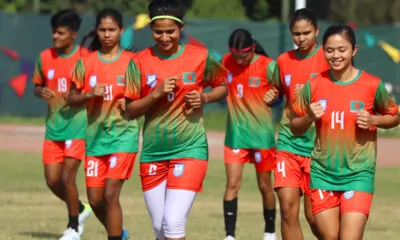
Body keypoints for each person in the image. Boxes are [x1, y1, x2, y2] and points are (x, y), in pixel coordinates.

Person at [124, 0, 228, 239]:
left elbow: (223, 87)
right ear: (151, 29)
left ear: (181, 29)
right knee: (160, 228)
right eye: (158, 32)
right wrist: (156, 94)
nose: (164, 37)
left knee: (172, 223)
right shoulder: (138, 61)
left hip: (189, 149)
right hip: (153, 152)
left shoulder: (201, 56)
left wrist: (205, 97)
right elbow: (130, 110)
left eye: (170, 31)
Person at [290, 24, 399, 240]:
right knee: (329, 237)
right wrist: (309, 117)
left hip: (358, 174)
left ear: (354, 50)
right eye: (330, 50)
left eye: (342, 49)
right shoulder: (314, 84)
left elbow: (395, 116)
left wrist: (374, 119)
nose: (336, 55)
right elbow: (294, 126)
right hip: (323, 174)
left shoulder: (371, 84)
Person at [67, 8, 139, 240]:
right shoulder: (85, 63)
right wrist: (88, 95)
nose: (107, 34)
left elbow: (143, 96)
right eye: (102, 29)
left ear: (121, 31)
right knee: (95, 200)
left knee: (110, 194)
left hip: (123, 136)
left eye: (112, 29)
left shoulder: (132, 63)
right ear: (96, 31)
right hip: (95, 140)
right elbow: (71, 99)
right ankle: (120, 234)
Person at [263, 8, 329, 240]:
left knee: (315, 217)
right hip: (288, 143)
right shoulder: (283, 60)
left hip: (318, 147)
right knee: (288, 210)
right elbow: (279, 90)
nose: (301, 38)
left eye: (307, 33)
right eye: (296, 34)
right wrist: (273, 95)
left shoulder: (329, 57)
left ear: (317, 31)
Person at [32, 9, 92, 240]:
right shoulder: (45, 57)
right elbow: (36, 85)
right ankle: (81, 207)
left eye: (60, 33)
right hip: (53, 128)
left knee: (68, 178)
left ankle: (74, 227)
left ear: (74, 35)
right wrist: (40, 91)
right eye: (53, 32)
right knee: (52, 180)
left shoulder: (86, 59)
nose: (55, 37)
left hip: (78, 127)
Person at [221, 28, 277, 240]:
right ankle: (229, 235)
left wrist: (276, 97)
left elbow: (282, 92)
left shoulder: (267, 66)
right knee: (232, 184)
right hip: (236, 136)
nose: (238, 60)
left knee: (265, 186)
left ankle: (270, 231)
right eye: (235, 56)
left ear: (252, 49)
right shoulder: (226, 62)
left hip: (261, 137)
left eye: (242, 56)